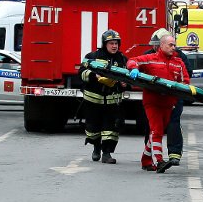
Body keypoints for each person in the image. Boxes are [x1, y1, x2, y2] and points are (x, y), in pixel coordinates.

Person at [127, 33, 189, 173]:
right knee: (157, 130)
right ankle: (160, 161)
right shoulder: (150, 59)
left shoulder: (178, 63)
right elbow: (132, 60)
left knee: (157, 131)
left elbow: (185, 82)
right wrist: (134, 69)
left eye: (174, 45)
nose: (174, 48)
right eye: (171, 45)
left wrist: (180, 92)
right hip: (152, 102)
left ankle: (146, 160)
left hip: (168, 103)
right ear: (161, 45)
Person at [141, 28, 193, 168]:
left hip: (173, 98)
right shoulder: (149, 56)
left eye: (156, 45)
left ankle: (173, 154)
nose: (154, 48)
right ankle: (157, 160)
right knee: (155, 129)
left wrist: (178, 87)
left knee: (172, 124)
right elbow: (136, 65)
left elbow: (187, 77)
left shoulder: (179, 58)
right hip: (154, 99)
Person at [79, 30, 127, 164]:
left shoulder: (122, 59)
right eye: (111, 43)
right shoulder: (93, 56)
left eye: (116, 43)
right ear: (104, 44)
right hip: (93, 100)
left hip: (112, 101)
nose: (114, 46)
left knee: (111, 128)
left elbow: (127, 78)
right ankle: (96, 148)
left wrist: (124, 84)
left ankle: (107, 154)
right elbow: (82, 72)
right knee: (93, 127)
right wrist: (95, 76)